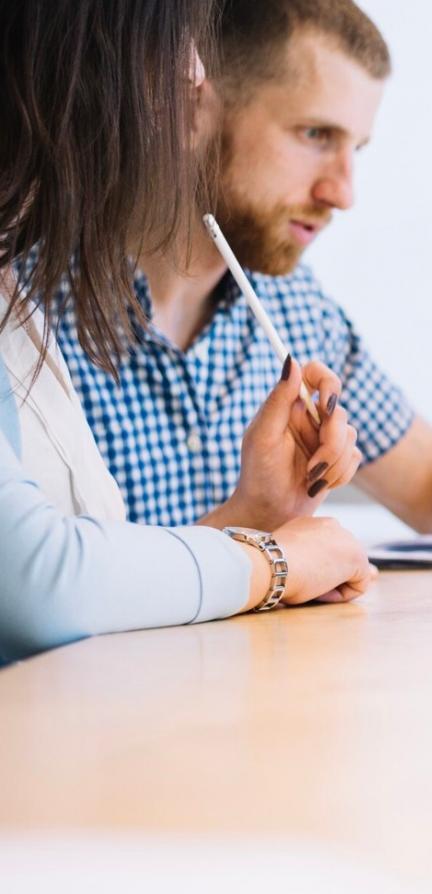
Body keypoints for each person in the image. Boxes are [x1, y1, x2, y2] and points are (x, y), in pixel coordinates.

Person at [56, 0, 432, 538]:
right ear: (192, 110)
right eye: (314, 135)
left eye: (356, 148)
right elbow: (51, 580)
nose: (342, 193)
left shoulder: (295, 306)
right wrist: (254, 526)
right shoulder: (29, 314)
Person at [0, 0, 377, 663]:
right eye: (170, 40)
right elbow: (36, 587)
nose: (196, 78)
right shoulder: (37, 290)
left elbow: (81, 597)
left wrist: (250, 517)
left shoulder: (299, 304)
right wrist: (271, 560)